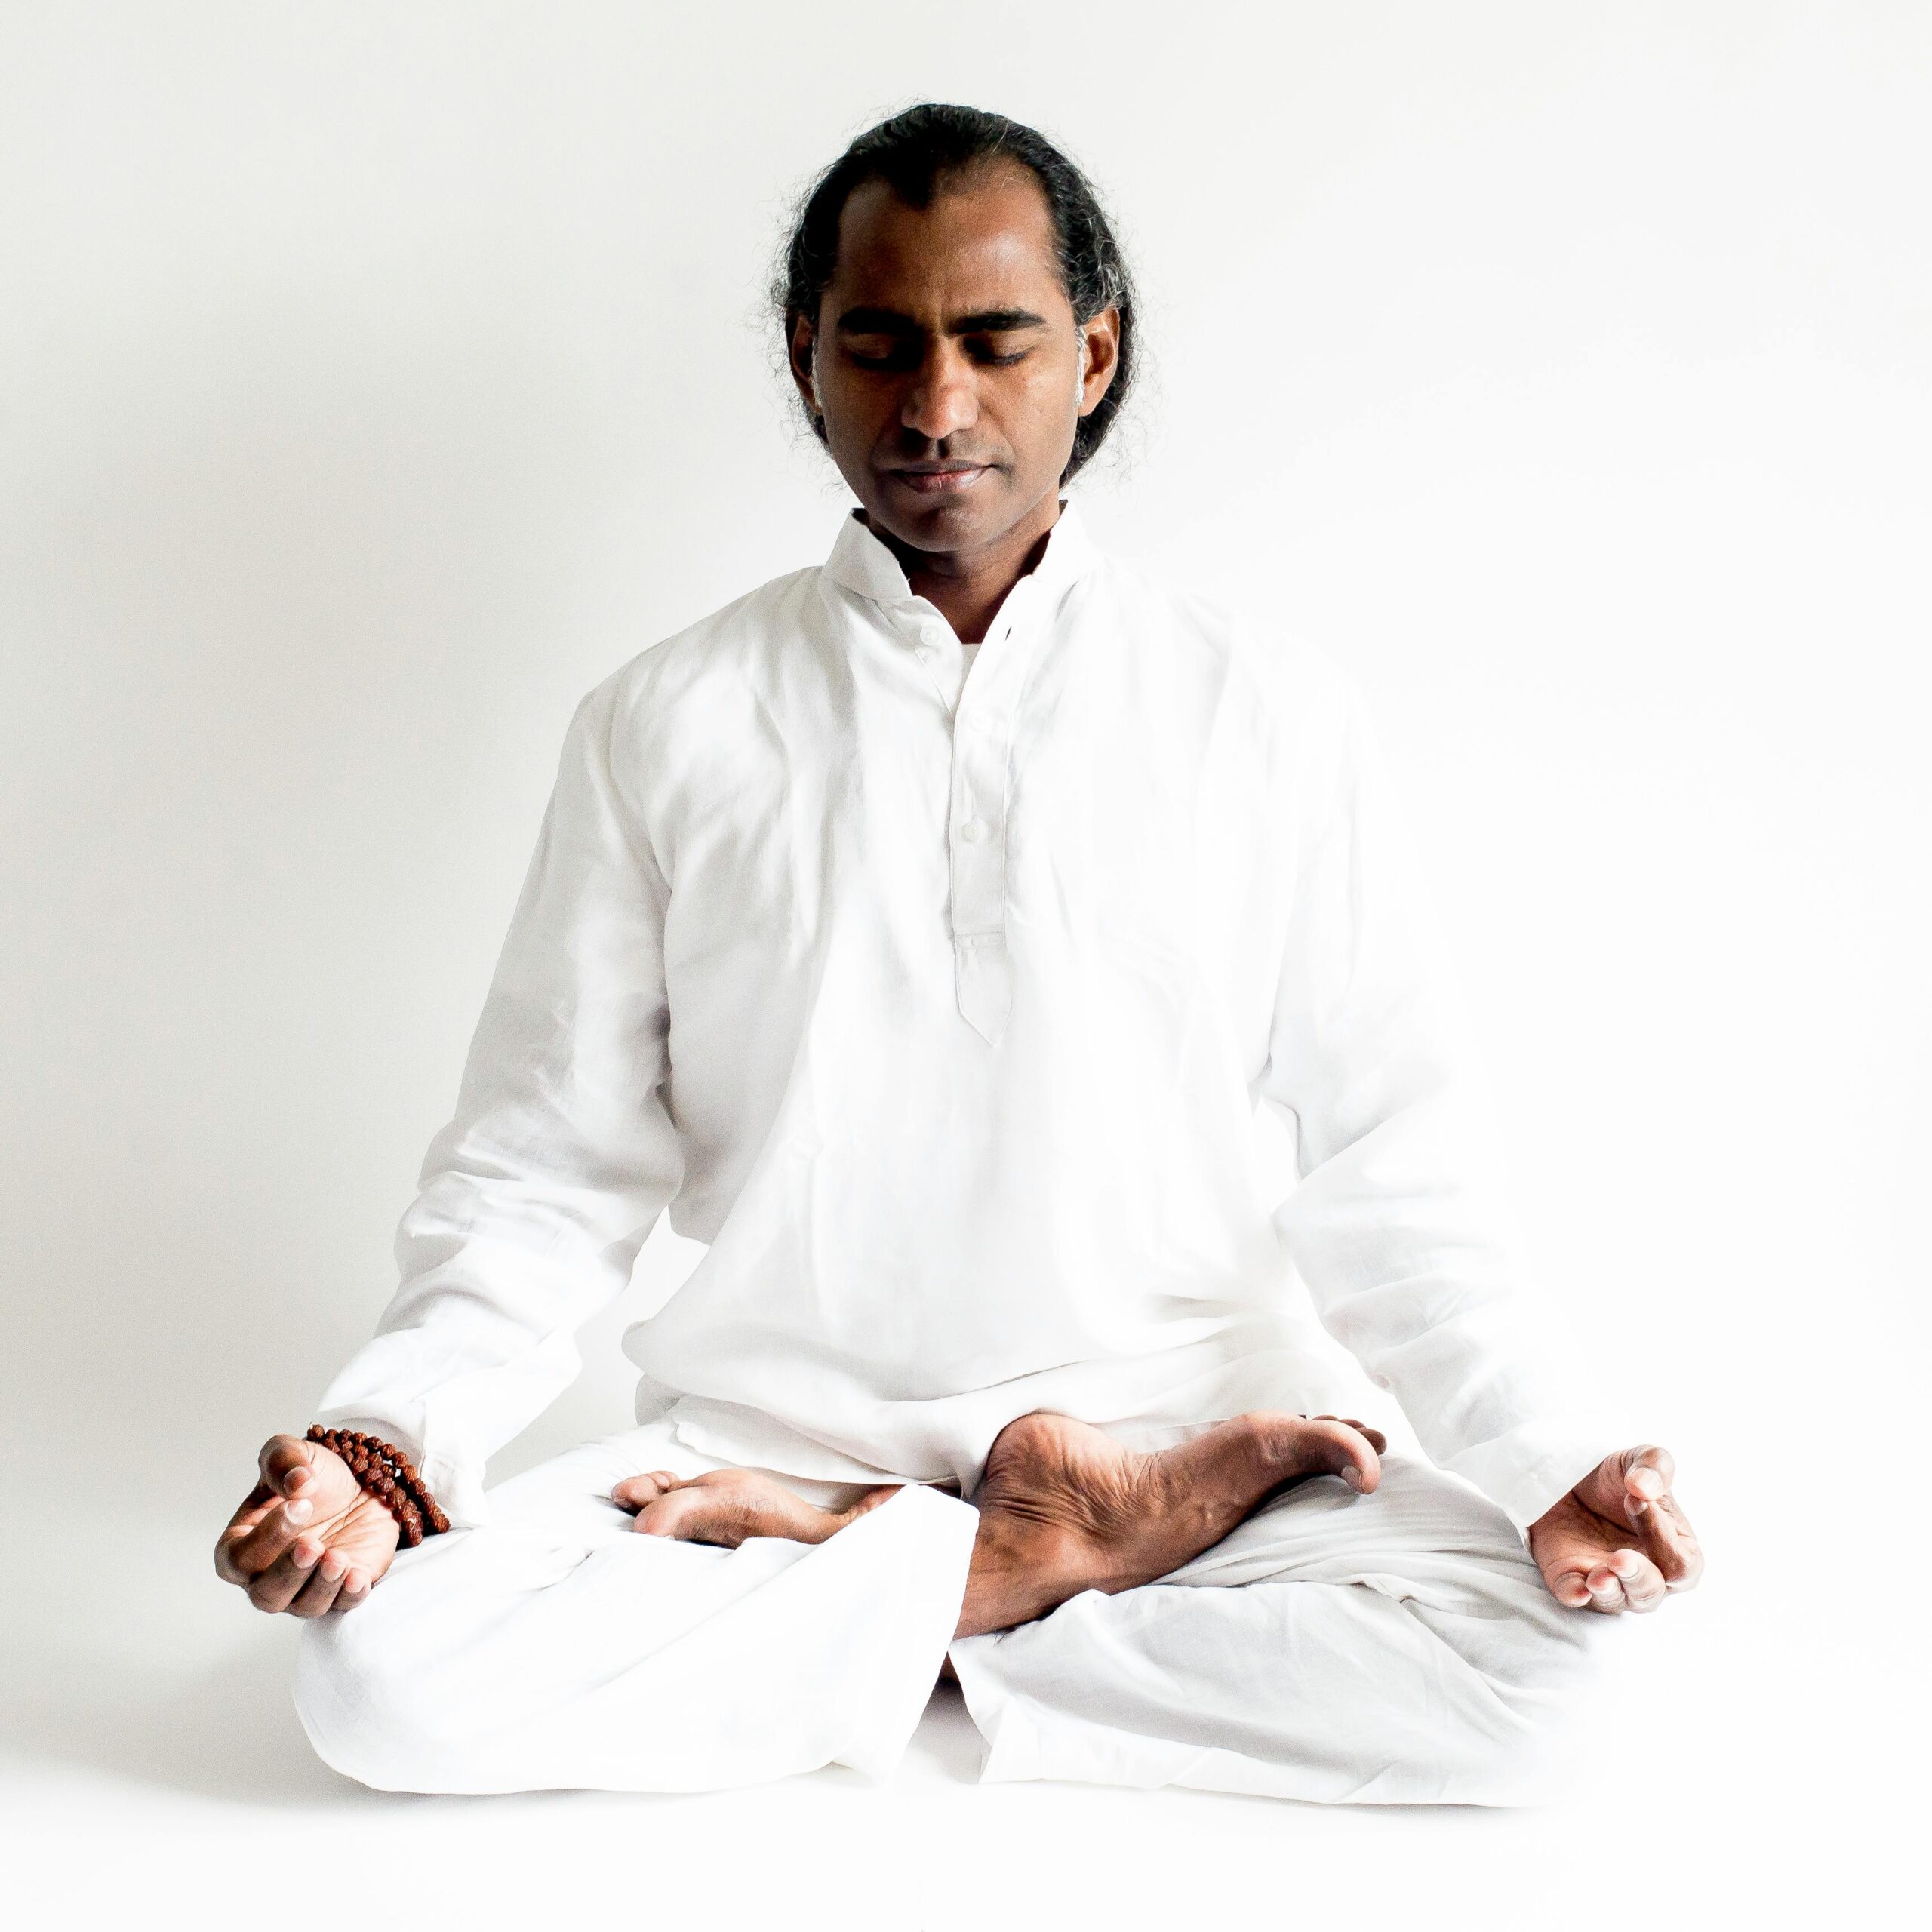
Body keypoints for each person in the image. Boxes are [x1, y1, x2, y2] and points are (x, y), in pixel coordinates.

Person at [214, 102, 1702, 1806]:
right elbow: (544, 1164)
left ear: (1092, 353)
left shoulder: (1261, 711)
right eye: (880, 345)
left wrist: (1544, 1448)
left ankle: (907, 1585)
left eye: (995, 342)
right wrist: (385, 1442)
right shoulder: (666, 721)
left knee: (1562, 1681)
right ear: (808, 355)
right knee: (381, 1680)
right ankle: (1005, 1575)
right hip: (765, 1453)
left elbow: (1391, 1154)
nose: (935, 407)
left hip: (1197, 1446)